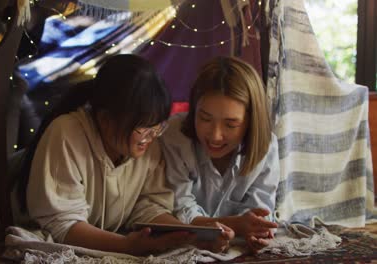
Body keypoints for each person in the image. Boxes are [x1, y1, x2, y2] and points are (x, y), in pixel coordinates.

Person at [17, 54, 233, 256]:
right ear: (105, 120)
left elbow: (148, 206)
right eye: (143, 128)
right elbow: (62, 224)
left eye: (157, 128)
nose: (151, 137)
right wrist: (126, 245)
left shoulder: (149, 145)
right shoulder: (66, 134)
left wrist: (188, 235)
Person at [160, 56, 280, 253]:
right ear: (194, 109)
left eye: (230, 124)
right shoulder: (174, 135)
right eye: (205, 118)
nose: (215, 136)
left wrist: (257, 230)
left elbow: (261, 209)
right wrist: (239, 224)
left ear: (251, 122)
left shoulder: (266, 146)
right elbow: (177, 209)